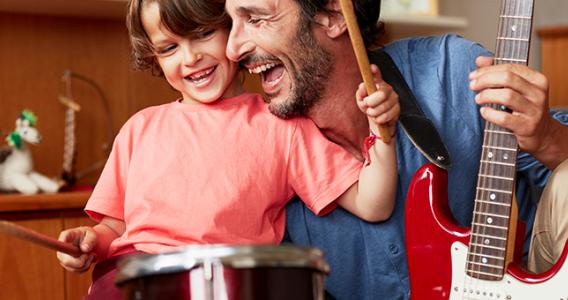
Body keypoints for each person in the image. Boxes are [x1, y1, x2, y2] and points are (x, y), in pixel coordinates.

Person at [56, 0, 400, 298]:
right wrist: (89, 242)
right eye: (169, 48)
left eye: (204, 34)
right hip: (133, 276)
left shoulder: (282, 126)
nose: (190, 57)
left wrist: (381, 131)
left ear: (233, 32)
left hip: (227, 282)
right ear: (153, 58)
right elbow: (113, 230)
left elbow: (374, 204)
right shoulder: (139, 129)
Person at [224, 0, 568, 298]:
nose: (233, 48)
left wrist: (548, 138)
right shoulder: (260, 160)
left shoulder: (453, 71)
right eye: (231, 24)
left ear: (333, 15)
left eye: (255, 19)